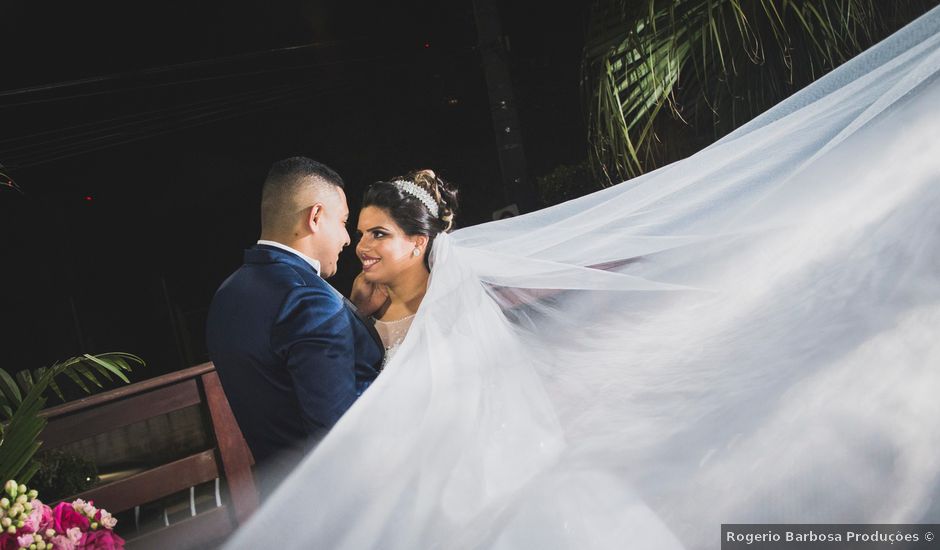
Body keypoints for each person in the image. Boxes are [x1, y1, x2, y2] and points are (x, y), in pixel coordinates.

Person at [228, 7, 940, 549]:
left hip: (474, 487)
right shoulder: (359, 308)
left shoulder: (446, 305)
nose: (360, 247)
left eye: (376, 234)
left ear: (422, 243)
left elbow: (450, 409)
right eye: (356, 234)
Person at [206, 156, 383, 499]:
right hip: (343, 505)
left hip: (286, 501)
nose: (347, 239)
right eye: (344, 222)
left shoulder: (228, 296)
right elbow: (339, 433)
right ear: (315, 217)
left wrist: (354, 314)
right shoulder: (310, 301)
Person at [350, 169, 458, 364]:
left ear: (418, 242)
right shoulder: (366, 304)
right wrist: (356, 312)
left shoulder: (451, 307)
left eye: (379, 234)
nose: (361, 247)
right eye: (361, 235)